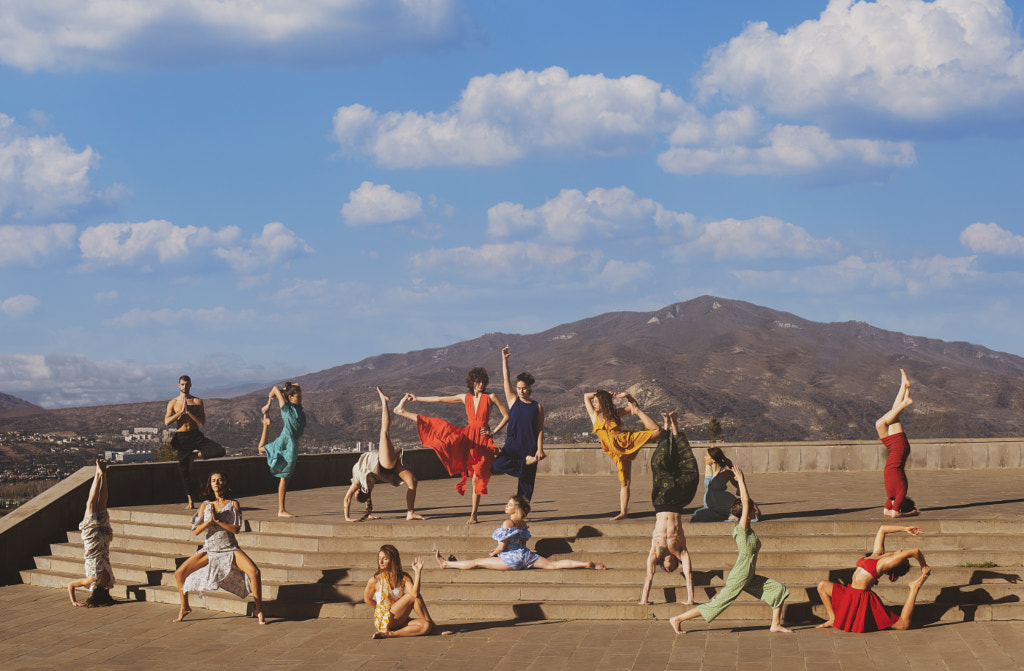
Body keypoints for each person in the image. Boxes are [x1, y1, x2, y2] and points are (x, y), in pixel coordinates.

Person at [669, 466, 792, 634]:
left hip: (749, 575)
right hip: (740, 575)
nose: (754, 509)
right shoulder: (742, 529)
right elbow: (746, 501)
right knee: (717, 605)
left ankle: (775, 624)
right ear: (746, 514)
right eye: (750, 509)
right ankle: (677, 619)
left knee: (778, 590)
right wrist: (741, 481)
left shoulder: (747, 531)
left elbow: (747, 504)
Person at [394, 368, 509, 524]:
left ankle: (473, 515)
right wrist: (418, 398)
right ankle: (402, 411)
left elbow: (506, 415)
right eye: (478, 382)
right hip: (467, 438)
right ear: (472, 383)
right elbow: (440, 399)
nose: (481, 385)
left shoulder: (491, 397)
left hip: (482, 441)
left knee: (477, 477)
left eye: (483, 382)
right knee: (438, 427)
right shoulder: (465, 397)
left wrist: (492, 431)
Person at [173, 472, 265, 624]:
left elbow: (236, 529)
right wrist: (209, 521)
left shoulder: (233, 504)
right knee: (179, 574)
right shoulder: (205, 505)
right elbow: (196, 530)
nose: (217, 483)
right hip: (210, 548)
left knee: (254, 572)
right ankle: (185, 607)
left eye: (220, 480)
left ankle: (258, 610)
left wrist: (218, 521)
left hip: (229, 547)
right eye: (214, 480)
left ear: (226, 483)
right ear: (210, 484)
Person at [434, 496, 606, 571]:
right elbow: (524, 544)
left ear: (516, 508)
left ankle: (446, 565)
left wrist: (494, 553)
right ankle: (585, 564)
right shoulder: (523, 524)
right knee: (554, 565)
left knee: (478, 562)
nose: (506, 506)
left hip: (511, 559)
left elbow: (502, 546)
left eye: (509, 504)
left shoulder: (507, 523)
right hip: (526, 556)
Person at [816, 526, 931, 631]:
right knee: (822, 585)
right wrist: (905, 529)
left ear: (896, 562)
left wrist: (923, 565)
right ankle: (832, 619)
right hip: (850, 593)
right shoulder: (878, 553)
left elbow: (915, 551)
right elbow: (882, 529)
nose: (901, 551)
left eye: (903, 558)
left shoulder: (886, 563)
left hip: (862, 599)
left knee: (903, 625)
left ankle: (914, 588)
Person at [640, 411, 698, 606]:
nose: (667, 565)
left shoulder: (655, 551)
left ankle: (665, 426)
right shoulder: (680, 551)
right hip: (677, 502)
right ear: (674, 564)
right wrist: (690, 599)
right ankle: (674, 424)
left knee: (660, 461)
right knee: (686, 466)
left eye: (666, 566)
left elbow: (649, 575)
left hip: (661, 501)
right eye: (670, 566)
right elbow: (688, 573)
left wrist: (643, 600)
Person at [344, 387, 426, 522]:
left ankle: (410, 513)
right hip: (385, 465)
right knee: (384, 432)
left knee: (413, 483)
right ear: (359, 492)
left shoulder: (366, 488)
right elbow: (347, 498)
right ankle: (384, 402)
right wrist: (347, 517)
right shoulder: (359, 482)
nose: (356, 492)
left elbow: (364, 498)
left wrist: (367, 514)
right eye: (357, 493)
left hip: (389, 469)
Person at [584, 389, 664, 520]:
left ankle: (640, 415)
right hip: (617, 454)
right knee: (625, 482)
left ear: (603, 403)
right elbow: (585, 396)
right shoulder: (594, 416)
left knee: (657, 431)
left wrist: (628, 396)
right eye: (594, 402)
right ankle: (623, 512)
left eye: (596, 401)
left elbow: (633, 405)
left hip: (627, 441)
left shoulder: (615, 414)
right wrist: (602, 393)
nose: (594, 404)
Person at [164, 375, 227, 510]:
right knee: (183, 470)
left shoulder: (197, 401)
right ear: (178, 386)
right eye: (182, 384)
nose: (184, 387)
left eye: (186, 384)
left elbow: (201, 422)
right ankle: (190, 501)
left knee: (220, 451)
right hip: (182, 437)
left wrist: (189, 412)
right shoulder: (173, 402)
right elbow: (167, 421)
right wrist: (181, 412)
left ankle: (194, 456)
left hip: (195, 435)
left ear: (190, 385)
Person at [491, 346, 545, 501]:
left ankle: (522, 513)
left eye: (524, 388)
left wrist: (540, 449)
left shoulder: (537, 407)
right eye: (519, 388)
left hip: (530, 447)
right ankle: (524, 463)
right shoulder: (513, 401)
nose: (521, 391)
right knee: (498, 464)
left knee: (526, 486)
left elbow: (540, 429)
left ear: (529, 389)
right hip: (512, 446)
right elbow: (506, 379)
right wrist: (504, 360)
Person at [364, 545, 446, 638]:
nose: (381, 562)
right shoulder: (375, 579)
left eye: (385, 559)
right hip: (385, 619)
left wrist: (417, 573)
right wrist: (381, 610)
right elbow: (367, 599)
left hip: (399, 618)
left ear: (393, 560)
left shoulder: (403, 577)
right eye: (379, 558)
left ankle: (390, 634)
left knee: (426, 626)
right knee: (411, 596)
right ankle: (434, 628)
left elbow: (415, 594)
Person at [67, 459, 116, 608]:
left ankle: (103, 474)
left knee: (102, 504)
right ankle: (98, 475)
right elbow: (71, 585)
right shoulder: (91, 581)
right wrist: (73, 601)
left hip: (104, 541)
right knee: (90, 504)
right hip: (93, 543)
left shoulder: (110, 581)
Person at [258, 382, 306, 518]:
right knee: (284, 477)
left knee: (286, 477)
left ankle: (266, 424)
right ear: (290, 397)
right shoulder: (286, 408)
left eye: (301, 396)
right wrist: (269, 403)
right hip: (286, 442)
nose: (300, 399)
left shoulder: (298, 408)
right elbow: (273, 388)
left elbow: (292, 386)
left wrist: (289, 387)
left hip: (292, 444)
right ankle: (281, 510)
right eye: (298, 397)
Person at [877, 369, 919, 518]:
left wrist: (894, 508)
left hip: (894, 450)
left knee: (886, 420)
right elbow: (894, 514)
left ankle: (903, 386)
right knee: (883, 422)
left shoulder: (892, 497)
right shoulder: (901, 492)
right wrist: (911, 513)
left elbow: (886, 511)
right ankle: (905, 400)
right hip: (899, 449)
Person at [690, 447, 760, 523]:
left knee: (749, 515)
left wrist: (730, 466)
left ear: (713, 460)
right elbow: (712, 447)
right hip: (710, 504)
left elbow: (739, 490)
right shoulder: (708, 468)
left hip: (725, 503)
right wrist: (722, 457)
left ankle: (736, 514)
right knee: (698, 514)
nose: (704, 457)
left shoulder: (727, 473)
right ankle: (728, 517)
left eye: (707, 456)